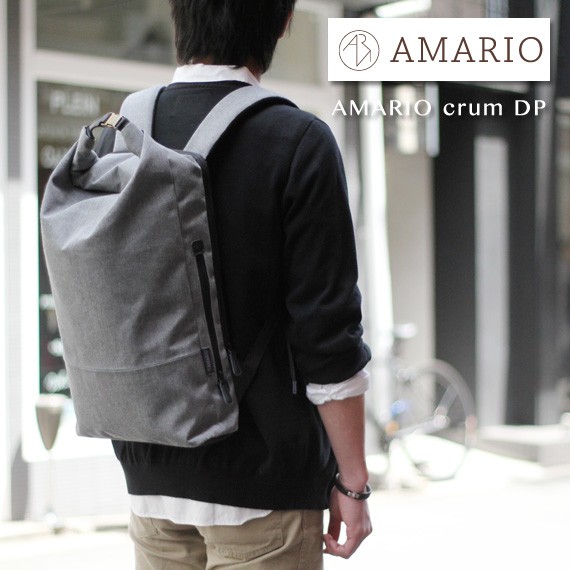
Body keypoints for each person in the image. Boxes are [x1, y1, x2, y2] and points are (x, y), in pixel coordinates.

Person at [107, 1, 373, 567]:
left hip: (150, 481)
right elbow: (327, 337)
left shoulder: (124, 132)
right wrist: (353, 483)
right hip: (263, 489)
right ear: (282, 21)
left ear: (179, 16)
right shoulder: (297, 140)